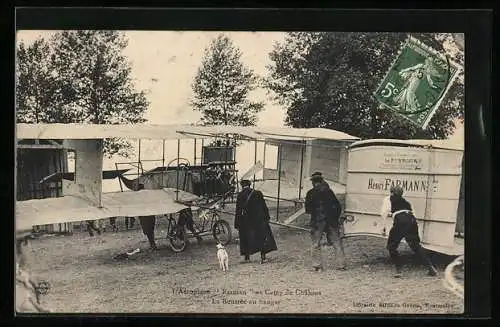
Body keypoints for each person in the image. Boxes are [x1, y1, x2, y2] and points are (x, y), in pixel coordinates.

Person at [380, 184, 438, 278]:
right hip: (412, 220)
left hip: (401, 221)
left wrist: (383, 228)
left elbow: (383, 213)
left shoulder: (388, 199)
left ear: (391, 192)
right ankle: (431, 267)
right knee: (416, 246)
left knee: (391, 246)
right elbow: (414, 214)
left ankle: (399, 271)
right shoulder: (407, 202)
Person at [305, 172, 346, 271]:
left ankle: (317, 266)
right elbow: (338, 207)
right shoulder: (329, 192)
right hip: (331, 221)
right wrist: (335, 218)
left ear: (313, 182)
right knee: (337, 243)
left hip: (317, 221)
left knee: (316, 244)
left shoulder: (310, 193)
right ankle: (341, 265)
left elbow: (308, 210)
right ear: (322, 180)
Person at [234, 179, 277, 264]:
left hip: (245, 221)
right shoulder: (257, 193)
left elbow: (238, 210)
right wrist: (266, 217)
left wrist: (237, 223)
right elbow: (263, 206)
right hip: (258, 220)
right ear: (250, 185)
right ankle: (263, 257)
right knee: (261, 237)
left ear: (241, 186)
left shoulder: (240, 195)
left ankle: (247, 258)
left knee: (245, 238)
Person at [15, 230, 52, 313]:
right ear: (22, 245)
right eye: (27, 243)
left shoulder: (18, 263)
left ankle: (38, 307)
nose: (30, 248)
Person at [135, 183, 157, 250]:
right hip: (151, 214)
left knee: (148, 231)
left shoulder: (138, 196)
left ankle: (152, 244)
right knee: (151, 230)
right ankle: (153, 244)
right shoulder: (148, 194)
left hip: (144, 216)